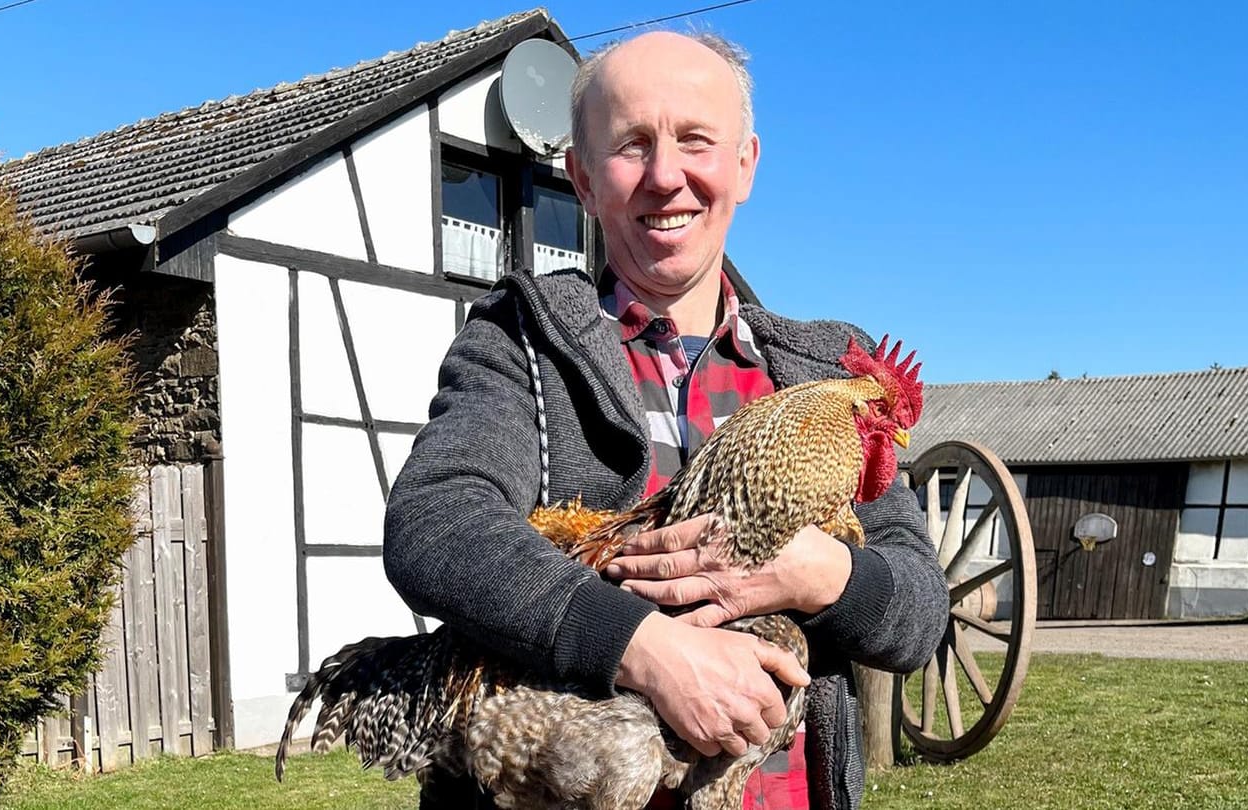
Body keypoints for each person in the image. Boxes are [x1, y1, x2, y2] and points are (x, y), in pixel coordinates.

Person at [383, 29, 949, 810]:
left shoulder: (830, 373)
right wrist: (642, 647)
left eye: (695, 140)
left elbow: (920, 613)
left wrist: (819, 575)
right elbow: (437, 520)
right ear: (582, 178)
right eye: (631, 145)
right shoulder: (522, 340)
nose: (666, 176)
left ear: (745, 163)